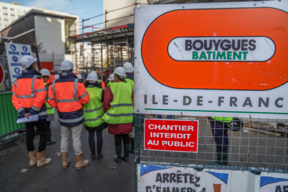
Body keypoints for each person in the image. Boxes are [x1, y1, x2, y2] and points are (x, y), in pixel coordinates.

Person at [48, 60, 90, 169]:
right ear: (72, 70)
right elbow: (85, 98)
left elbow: (50, 101)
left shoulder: (54, 84)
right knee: (76, 138)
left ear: (61, 70)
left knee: (64, 138)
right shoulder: (77, 83)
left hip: (63, 116)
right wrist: (77, 103)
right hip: (76, 115)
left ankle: (64, 162)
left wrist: (60, 106)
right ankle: (79, 162)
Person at [12, 55, 52, 168]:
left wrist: (22, 112)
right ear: (33, 65)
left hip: (25, 114)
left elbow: (14, 99)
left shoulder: (17, 81)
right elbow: (41, 95)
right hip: (38, 113)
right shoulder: (37, 79)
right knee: (43, 133)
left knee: (29, 133)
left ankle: (32, 160)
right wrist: (33, 111)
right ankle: (41, 160)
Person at [103, 67, 133, 163]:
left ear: (116, 76)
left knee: (117, 136)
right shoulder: (129, 86)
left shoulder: (111, 86)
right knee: (126, 135)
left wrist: (107, 111)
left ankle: (118, 156)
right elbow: (133, 99)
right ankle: (127, 156)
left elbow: (106, 103)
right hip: (127, 116)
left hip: (115, 116)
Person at [83, 71, 107, 160]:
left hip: (87, 120)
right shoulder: (101, 91)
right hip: (99, 119)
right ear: (97, 81)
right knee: (99, 135)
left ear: (87, 81)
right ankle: (99, 154)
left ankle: (93, 154)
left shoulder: (83, 91)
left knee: (91, 136)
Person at [40, 68, 56, 145]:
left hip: (40, 110)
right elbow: (49, 97)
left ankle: (44, 139)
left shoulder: (37, 85)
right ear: (45, 77)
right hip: (48, 110)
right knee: (47, 126)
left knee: (42, 126)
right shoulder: (46, 87)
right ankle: (48, 140)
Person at [123, 62, 135, 153]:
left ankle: (130, 148)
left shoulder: (125, 82)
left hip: (127, 107)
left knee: (128, 127)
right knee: (135, 126)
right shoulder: (137, 80)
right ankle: (134, 147)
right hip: (136, 106)